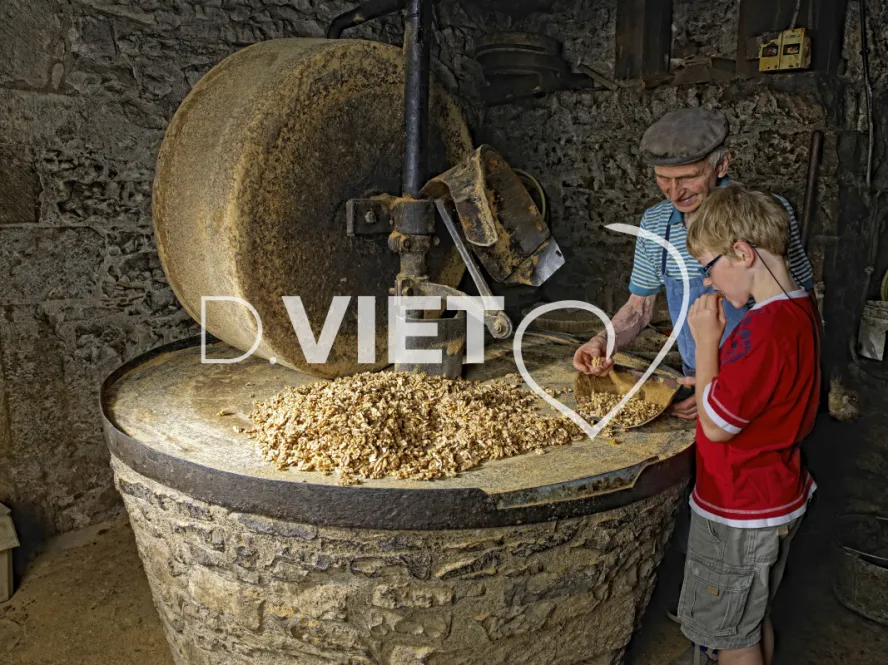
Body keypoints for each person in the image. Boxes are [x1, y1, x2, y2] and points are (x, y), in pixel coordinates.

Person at [572, 107, 815, 418]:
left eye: (688, 177)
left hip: (763, 384)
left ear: (722, 164)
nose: (675, 192)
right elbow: (638, 308)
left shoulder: (764, 213)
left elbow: (799, 305)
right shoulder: (656, 223)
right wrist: (602, 342)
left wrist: (724, 388)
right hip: (696, 377)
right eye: (664, 179)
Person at [671, 185, 820, 665]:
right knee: (751, 618)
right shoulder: (797, 311)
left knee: (731, 635)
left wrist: (707, 341)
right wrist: (714, 378)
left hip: (740, 506)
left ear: (742, 252)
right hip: (777, 493)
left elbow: (716, 427)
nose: (710, 283)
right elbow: (765, 391)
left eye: (708, 267)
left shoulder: (762, 330)